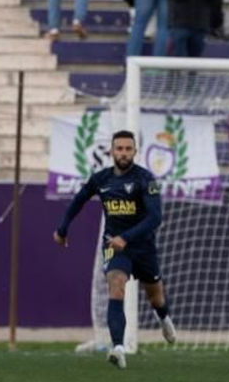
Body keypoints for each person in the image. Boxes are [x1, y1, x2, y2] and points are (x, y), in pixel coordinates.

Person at [54, 129, 176, 369]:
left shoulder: (145, 179)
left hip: (142, 246)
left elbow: (155, 218)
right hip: (114, 246)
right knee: (116, 287)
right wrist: (63, 228)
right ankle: (118, 347)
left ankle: (163, 318)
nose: (123, 153)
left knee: (156, 296)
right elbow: (79, 199)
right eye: (119, 149)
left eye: (128, 149)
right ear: (111, 151)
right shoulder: (101, 179)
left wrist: (127, 237)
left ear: (135, 151)